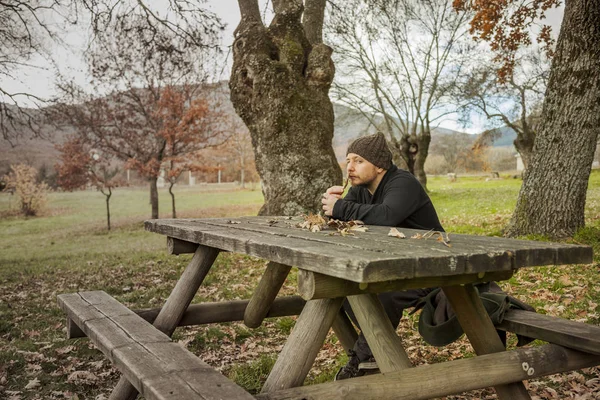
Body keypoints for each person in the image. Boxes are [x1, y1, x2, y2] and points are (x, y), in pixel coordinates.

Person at [321, 131, 444, 380]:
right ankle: (369, 355)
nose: (350, 168)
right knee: (338, 288)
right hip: (393, 263)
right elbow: (347, 219)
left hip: (432, 265)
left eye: (358, 161)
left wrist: (341, 208)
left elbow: (387, 216)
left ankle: (365, 359)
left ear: (378, 165)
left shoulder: (403, 183)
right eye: (348, 161)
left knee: (380, 295)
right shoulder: (360, 189)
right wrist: (331, 209)